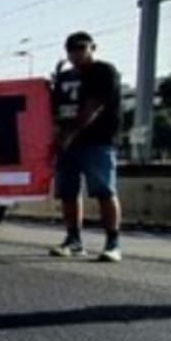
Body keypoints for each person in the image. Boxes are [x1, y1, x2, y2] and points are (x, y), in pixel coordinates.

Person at [49, 31, 123, 262]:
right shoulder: (63, 77)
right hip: (68, 143)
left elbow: (93, 106)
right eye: (72, 50)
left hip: (97, 140)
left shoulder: (104, 71)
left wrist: (69, 134)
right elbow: (53, 108)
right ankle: (73, 240)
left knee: (104, 191)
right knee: (68, 193)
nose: (77, 53)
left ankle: (112, 243)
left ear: (92, 48)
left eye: (82, 48)